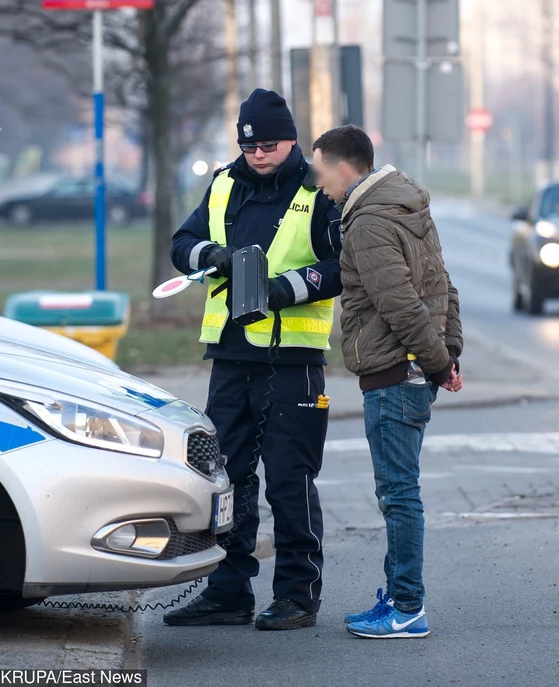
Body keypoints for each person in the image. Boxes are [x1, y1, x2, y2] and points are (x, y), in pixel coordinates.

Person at [163, 89, 342, 631]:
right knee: (228, 476)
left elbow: (341, 265)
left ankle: (296, 594)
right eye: (249, 145)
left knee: (290, 478)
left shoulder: (319, 189)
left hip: (293, 359)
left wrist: (284, 288)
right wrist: (210, 255)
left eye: (268, 144)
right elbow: (182, 242)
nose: (258, 154)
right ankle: (227, 591)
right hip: (232, 354)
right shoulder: (224, 182)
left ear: (291, 139)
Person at [311, 124, 463, 639]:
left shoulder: (369, 224)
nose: (318, 184)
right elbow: (443, 284)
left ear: (344, 167)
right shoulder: (407, 207)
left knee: (398, 494)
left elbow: (399, 304)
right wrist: (449, 355)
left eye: (320, 171)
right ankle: (397, 598)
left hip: (394, 374)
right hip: (413, 370)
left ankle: (407, 607)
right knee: (400, 490)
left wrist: (440, 362)